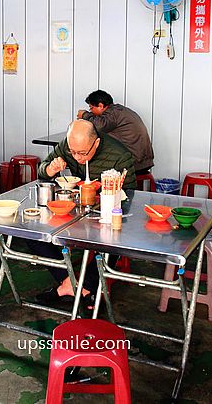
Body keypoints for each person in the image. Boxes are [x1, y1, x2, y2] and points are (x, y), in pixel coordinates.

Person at [27, 119, 136, 305]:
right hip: (73, 208)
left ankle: (85, 285)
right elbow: (42, 171)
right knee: (32, 232)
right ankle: (68, 281)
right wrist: (51, 168)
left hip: (104, 213)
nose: (76, 158)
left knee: (114, 239)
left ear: (97, 143)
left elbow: (129, 198)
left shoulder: (120, 156)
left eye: (82, 153)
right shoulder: (68, 146)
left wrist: (105, 193)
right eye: (73, 152)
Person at [77, 89, 154, 175]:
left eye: (91, 108)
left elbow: (100, 126)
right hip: (142, 161)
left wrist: (85, 115)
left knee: (93, 163)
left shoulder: (113, 113)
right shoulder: (119, 110)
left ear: (101, 106)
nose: (91, 111)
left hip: (134, 163)